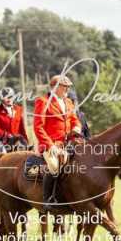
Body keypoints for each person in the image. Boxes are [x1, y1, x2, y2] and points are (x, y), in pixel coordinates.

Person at [33, 74, 82, 208]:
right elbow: (38, 127)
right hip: (50, 145)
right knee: (54, 166)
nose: (67, 89)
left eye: (68, 87)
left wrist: (77, 126)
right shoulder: (43, 101)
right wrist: (50, 145)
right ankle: (47, 199)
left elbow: (74, 119)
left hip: (68, 143)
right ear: (55, 87)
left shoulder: (68, 102)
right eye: (64, 86)